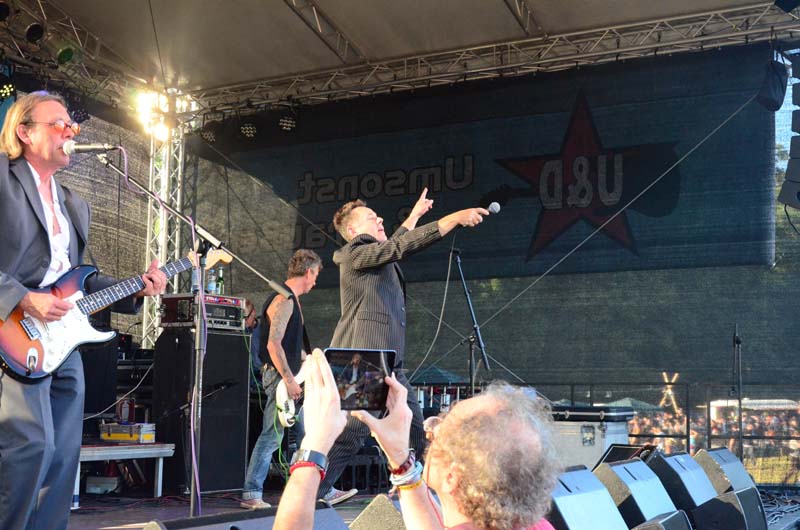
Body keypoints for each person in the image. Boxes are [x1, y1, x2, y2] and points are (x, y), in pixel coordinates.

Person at [0, 91, 167, 530]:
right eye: (59, 124)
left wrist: (138, 288)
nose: (70, 132)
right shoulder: (3, 179)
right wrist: (21, 297)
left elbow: (79, 281)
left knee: (62, 456)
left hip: (63, 341)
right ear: (24, 132)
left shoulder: (75, 203)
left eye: (72, 125)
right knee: (30, 447)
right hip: (13, 331)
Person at [318, 188, 490, 504]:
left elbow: (394, 243)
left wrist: (414, 216)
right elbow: (399, 246)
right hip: (363, 358)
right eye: (372, 217)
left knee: (413, 422)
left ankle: (415, 487)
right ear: (353, 230)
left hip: (387, 362)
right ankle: (314, 490)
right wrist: (453, 218)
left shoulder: (373, 255)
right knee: (353, 433)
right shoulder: (353, 254)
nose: (380, 219)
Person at [271, 352, 561, 530]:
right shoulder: (538, 526)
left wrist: (314, 447)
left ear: (452, 477)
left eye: (439, 428)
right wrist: (401, 461)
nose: (431, 430)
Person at [240, 249, 322, 509]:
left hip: (289, 376)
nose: (315, 282)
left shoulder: (292, 300)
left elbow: (290, 345)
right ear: (308, 271)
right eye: (315, 275)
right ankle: (251, 493)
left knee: (306, 434)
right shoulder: (284, 300)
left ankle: (319, 489)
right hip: (279, 378)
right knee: (271, 436)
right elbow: (274, 345)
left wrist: (308, 364)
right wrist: (289, 380)